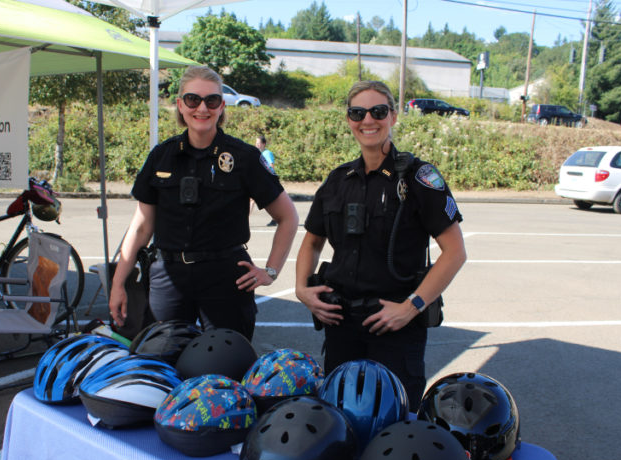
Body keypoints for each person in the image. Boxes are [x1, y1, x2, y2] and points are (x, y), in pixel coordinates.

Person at [295, 80, 466, 409]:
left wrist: (411, 307)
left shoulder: (419, 178)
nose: (368, 120)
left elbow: (455, 252)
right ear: (349, 120)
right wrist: (302, 289)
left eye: (378, 111)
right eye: (358, 112)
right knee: (339, 415)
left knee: (395, 421)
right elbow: (312, 240)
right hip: (340, 323)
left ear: (393, 116)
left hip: (395, 328)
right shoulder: (337, 180)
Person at [110, 66, 298, 341]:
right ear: (180, 105)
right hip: (168, 276)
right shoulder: (161, 156)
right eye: (192, 99)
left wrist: (270, 271)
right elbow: (141, 227)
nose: (202, 108)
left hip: (226, 277)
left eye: (211, 100)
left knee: (226, 367)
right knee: (163, 365)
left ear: (221, 106)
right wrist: (119, 284)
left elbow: (288, 217)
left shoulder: (243, 157)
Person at [253, 134, 278, 226]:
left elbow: (271, 166)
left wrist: (269, 178)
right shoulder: (259, 153)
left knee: (269, 201)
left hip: (267, 180)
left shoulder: (267, 153)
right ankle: (275, 218)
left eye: (258, 143)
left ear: (264, 144)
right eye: (256, 143)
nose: (257, 144)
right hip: (261, 179)